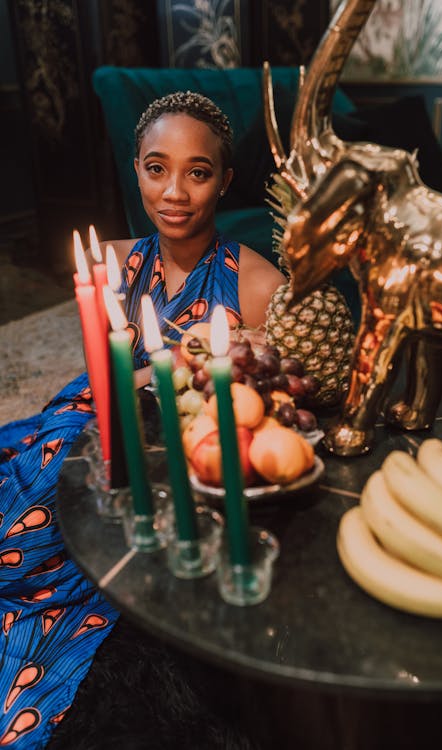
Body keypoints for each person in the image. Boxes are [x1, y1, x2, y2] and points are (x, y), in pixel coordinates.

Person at [0, 91, 284, 749]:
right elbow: (101, 378)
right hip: (87, 419)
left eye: (198, 170)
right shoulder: (112, 259)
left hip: (179, 449)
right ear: (136, 169)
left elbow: (255, 406)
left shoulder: (259, 286)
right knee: (57, 465)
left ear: (225, 180)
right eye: (156, 168)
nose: (174, 191)